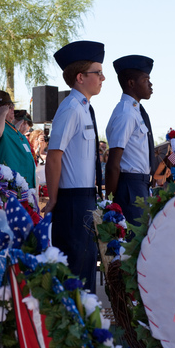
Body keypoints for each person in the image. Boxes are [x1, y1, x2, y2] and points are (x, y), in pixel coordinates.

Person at [43, 40, 105, 293]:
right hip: (71, 200)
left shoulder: (83, 107)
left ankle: (87, 329)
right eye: (97, 72)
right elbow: (54, 156)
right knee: (76, 274)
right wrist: (53, 199)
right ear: (80, 77)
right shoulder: (70, 109)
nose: (103, 78)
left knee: (87, 266)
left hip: (85, 198)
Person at [104, 55, 156, 224]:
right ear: (131, 83)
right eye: (145, 79)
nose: (150, 84)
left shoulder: (136, 111)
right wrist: (110, 204)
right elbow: (113, 164)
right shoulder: (126, 113)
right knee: (131, 245)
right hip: (129, 187)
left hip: (140, 186)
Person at [0, 90, 36, 188]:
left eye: (11, 105)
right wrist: (2, 113)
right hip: (8, 188)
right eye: (7, 106)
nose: (12, 108)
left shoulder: (11, 128)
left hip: (25, 186)